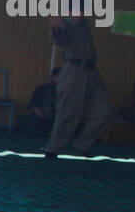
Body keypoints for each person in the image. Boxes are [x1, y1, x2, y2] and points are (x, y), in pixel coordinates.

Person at [44, 10, 110, 159]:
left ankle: (81, 145)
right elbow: (58, 39)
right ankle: (53, 148)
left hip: (92, 71)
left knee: (103, 110)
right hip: (74, 71)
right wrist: (54, 27)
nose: (82, 13)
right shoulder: (67, 24)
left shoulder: (85, 24)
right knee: (67, 111)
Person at [15, 67, 59, 137]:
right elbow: (32, 104)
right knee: (26, 122)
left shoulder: (66, 91)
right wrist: (38, 111)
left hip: (56, 118)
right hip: (41, 116)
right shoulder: (42, 88)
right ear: (53, 77)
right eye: (57, 77)